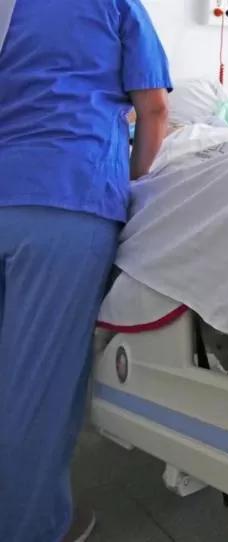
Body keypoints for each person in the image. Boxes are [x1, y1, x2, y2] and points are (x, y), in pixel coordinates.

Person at [0, 1, 171, 540]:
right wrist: (132, 181)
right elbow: (155, 110)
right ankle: (28, 528)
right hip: (70, 198)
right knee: (35, 393)